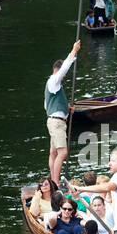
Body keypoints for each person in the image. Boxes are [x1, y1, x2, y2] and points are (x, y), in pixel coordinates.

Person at [44, 41, 81, 185]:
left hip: (54, 120)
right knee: (63, 153)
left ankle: (53, 181)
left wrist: (66, 109)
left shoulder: (53, 86)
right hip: (57, 123)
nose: (64, 77)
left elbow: (47, 105)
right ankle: (56, 182)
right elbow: (65, 68)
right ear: (57, 71)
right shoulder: (53, 80)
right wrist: (73, 51)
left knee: (53, 153)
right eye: (62, 74)